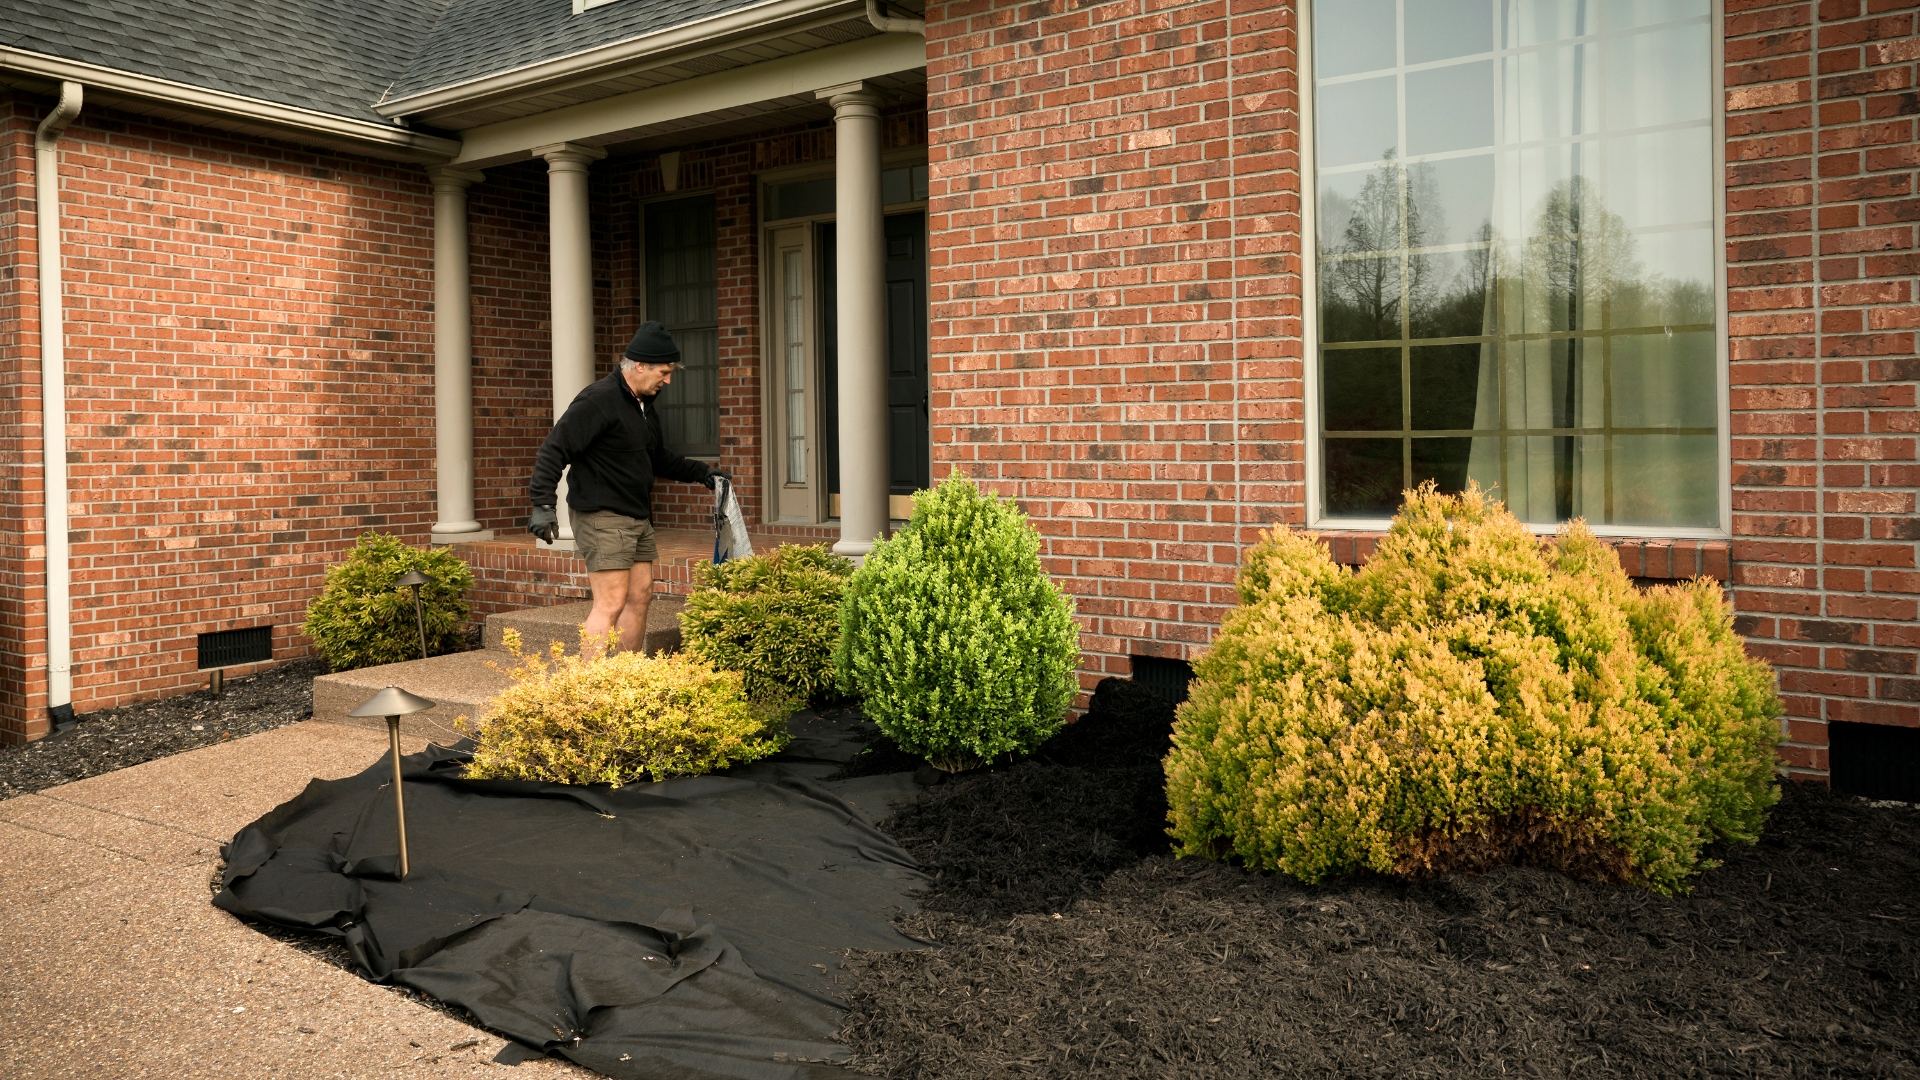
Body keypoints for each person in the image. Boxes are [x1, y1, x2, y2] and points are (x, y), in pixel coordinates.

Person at [528, 321, 728, 659]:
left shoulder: (644, 405)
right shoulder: (598, 400)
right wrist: (542, 504)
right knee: (611, 600)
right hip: (602, 514)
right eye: (664, 372)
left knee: (641, 595)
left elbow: (656, 457)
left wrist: (702, 472)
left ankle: (626, 677)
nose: (668, 380)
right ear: (639, 365)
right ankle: (591, 689)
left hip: (636, 514)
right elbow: (554, 449)